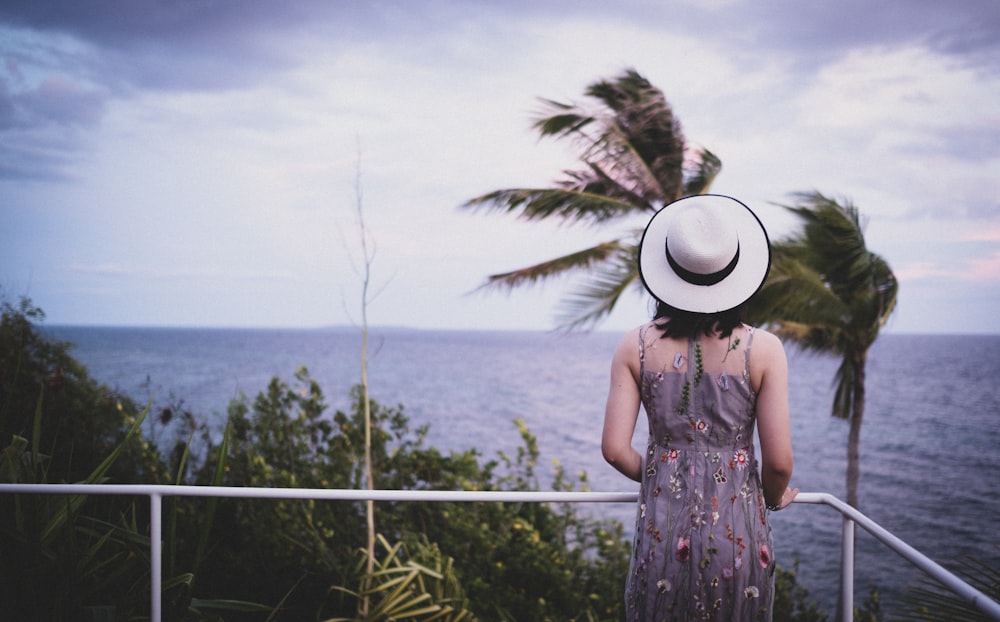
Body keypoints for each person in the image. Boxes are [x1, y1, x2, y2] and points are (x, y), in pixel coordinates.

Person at [602, 194, 798, 621]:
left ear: (668, 270)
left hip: (661, 536)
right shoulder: (763, 350)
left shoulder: (634, 346)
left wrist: (663, 473)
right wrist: (773, 496)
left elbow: (615, 450)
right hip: (739, 536)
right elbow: (779, 462)